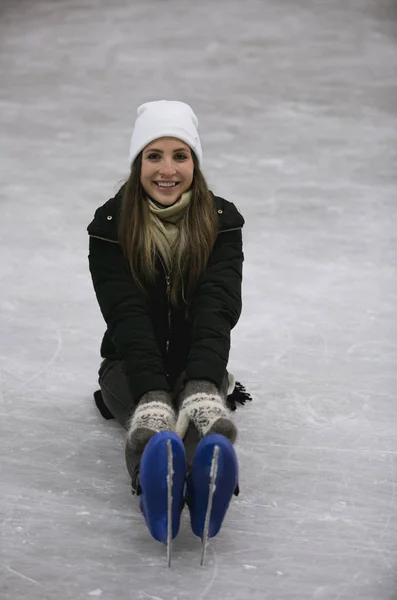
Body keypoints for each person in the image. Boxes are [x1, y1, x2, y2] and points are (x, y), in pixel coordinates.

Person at [87, 100, 250, 550]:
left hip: (198, 356)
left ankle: (206, 482)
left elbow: (216, 307)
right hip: (129, 362)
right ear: (138, 162)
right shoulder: (110, 226)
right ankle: (153, 484)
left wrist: (202, 381)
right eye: (153, 156)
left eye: (180, 156)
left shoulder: (222, 223)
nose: (167, 169)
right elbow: (125, 314)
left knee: (199, 413)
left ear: (194, 163)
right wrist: (152, 394)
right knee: (154, 425)